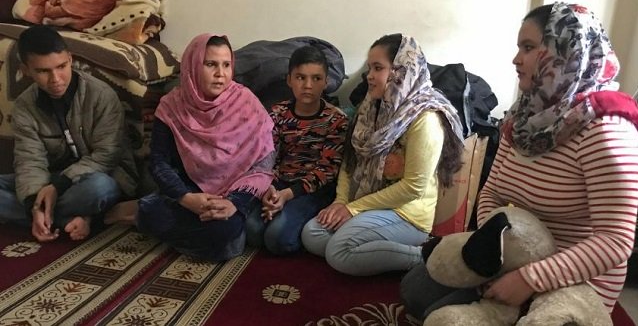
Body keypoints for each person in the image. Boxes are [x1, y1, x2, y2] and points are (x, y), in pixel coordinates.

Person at [400, 2, 638, 321]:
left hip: (576, 278)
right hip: (518, 258)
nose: (516, 59)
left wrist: (531, 279)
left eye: (528, 47)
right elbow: (492, 193)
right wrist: (496, 253)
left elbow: (615, 242)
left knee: (437, 313)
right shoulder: (523, 119)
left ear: (567, 52)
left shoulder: (607, 131)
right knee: (416, 290)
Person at [300, 33, 465, 276]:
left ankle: (427, 257)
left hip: (406, 214)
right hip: (366, 203)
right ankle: (369, 248)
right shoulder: (371, 108)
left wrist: (353, 209)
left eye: (378, 68)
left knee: (338, 252)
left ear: (401, 71)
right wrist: (340, 202)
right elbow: (350, 161)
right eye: (369, 68)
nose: (369, 76)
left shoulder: (425, 118)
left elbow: (413, 188)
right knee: (312, 234)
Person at [106, 33, 275, 262]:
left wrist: (234, 203)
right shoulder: (172, 105)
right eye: (210, 64)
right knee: (216, 234)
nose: (220, 74)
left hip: (234, 192)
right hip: (189, 189)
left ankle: (142, 213)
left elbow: (263, 164)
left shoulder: (246, 103)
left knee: (223, 231)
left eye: (226, 65)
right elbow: (159, 162)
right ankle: (151, 213)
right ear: (193, 66)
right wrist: (187, 198)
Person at [0, 25, 137, 242]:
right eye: (43, 71)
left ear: (70, 59)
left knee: (100, 188)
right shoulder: (25, 106)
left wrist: (58, 186)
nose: (56, 79)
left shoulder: (101, 95)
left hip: (98, 177)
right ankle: (72, 218)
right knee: (15, 187)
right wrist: (34, 202)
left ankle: (57, 215)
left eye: (61, 66)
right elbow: (29, 161)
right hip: (49, 180)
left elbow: (107, 155)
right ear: (26, 70)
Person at [245, 46, 348, 255]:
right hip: (278, 183)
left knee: (278, 239)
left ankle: (298, 230)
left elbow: (327, 170)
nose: (308, 85)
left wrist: (288, 195)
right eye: (301, 77)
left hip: (313, 190)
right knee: (252, 231)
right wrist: (270, 190)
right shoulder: (277, 113)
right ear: (289, 80)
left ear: (326, 82)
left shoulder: (336, 120)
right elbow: (266, 157)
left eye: (316, 78)